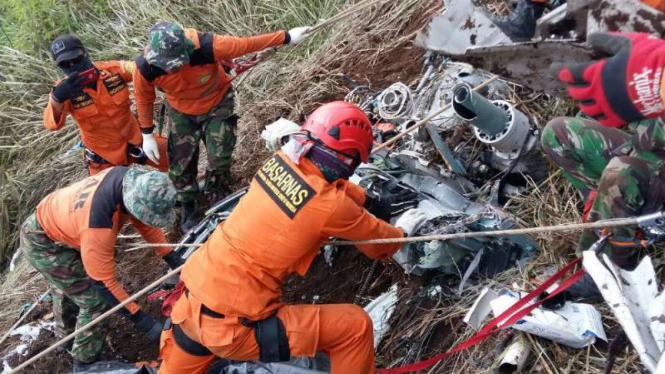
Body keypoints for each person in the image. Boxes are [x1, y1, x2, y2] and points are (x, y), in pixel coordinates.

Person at [156, 102, 425, 374]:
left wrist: (367, 198)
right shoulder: (331, 206)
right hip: (233, 328)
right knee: (355, 327)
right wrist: (404, 230)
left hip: (190, 305)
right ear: (348, 159)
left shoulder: (280, 161)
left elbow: (318, 184)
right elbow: (384, 245)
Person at [133, 21, 312, 233]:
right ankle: (189, 203)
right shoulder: (146, 67)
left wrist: (287, 37)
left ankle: (217, 193)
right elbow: (144, 98)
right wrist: (147, 134)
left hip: (216, 102)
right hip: (181, 111)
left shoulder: (208, 47)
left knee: (219, 158)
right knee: (181, 162)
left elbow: (247, 44)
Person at [20, 165, 185, 371]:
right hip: (42, 241)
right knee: (94, 301)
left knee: (69, 286)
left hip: (62, 222)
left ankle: (67, 340)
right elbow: (103, 284)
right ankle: (85, 362)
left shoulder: (127, 180)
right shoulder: (98, 225)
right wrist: (142, 321)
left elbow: (143, 221)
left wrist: (172, 258)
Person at [543, 32, 665, 270]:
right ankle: (605, 213)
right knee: (558, 133)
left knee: (622, 172)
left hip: (653, 169)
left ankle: (608, 268)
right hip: (646, 150)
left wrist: (654, 80)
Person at [44, 35, 168, 175]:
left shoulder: (112, 70)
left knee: (178, 156)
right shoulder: (62, 91)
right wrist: (57, 98)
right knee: (105, 195)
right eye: (65, 64)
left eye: (76, 59)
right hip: (104, 158)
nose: (72, 66)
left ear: (85, 53)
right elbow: (51, 125)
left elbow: (140, 69)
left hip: (137, 139)